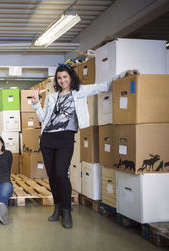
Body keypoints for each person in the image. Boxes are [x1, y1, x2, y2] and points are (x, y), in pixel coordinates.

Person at [31, 63, 139, 229]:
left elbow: (104, 86)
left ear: (70, 77)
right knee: (52, 176)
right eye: (59, 78)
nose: (62, 81)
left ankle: (67, 211)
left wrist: (124, 74)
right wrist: (37, 103)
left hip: (66, 138)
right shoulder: (52, 96)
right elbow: (43, 117)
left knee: (61, 173)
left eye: (65, 77)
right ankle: (57, 208)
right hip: (48, 139)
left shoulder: (80, 91)